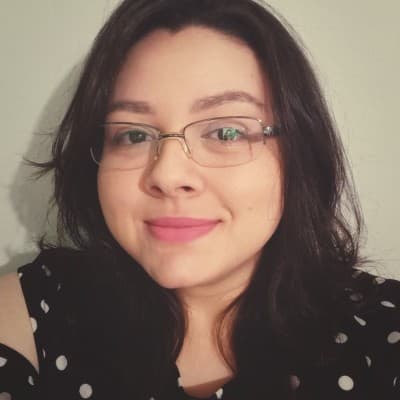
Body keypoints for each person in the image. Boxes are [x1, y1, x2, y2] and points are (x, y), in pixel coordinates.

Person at [0, 0, 399, 399]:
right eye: (134, 135)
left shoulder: (384, 333)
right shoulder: (31, 313)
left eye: (227, 132)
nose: (168, 176)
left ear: (300, 153)